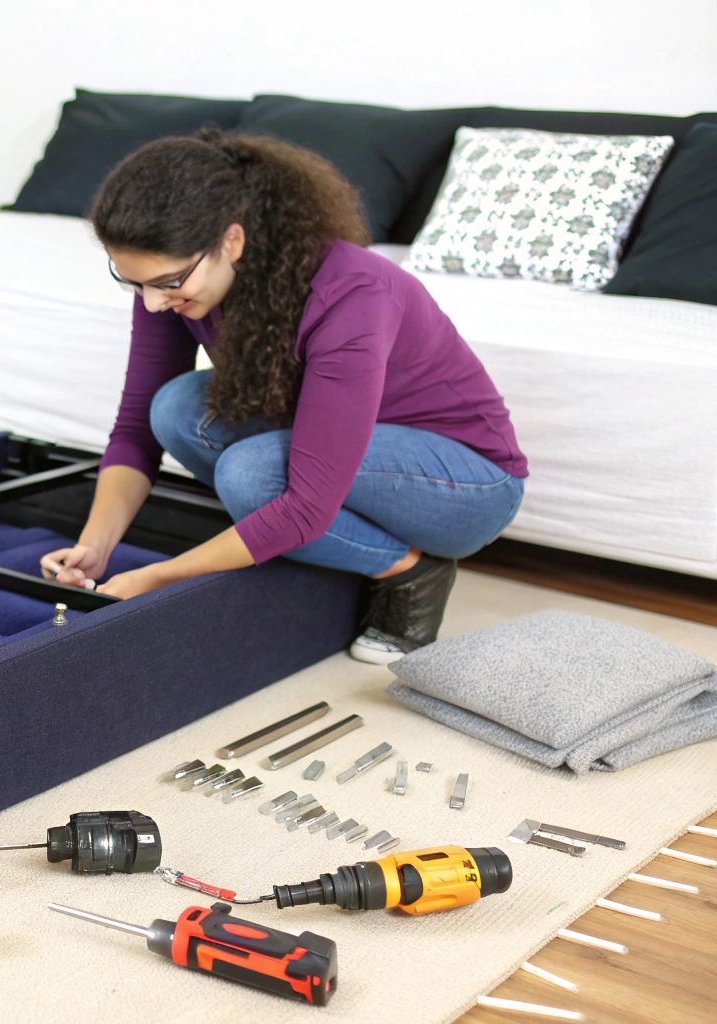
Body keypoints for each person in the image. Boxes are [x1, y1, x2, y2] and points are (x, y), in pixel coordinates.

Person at [40, 129, 528, 663]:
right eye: (134, 282)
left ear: (232, 240)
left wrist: (161, 575)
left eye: (169, 281)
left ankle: (411, 570)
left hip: (467, 485)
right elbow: (136, 429)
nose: (154, 303)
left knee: (251, 475)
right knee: (175, 409)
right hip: (350, 448)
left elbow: (306, 502)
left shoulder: (354, 293)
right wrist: (96, 547)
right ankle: (340, 547)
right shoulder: (166, 283)